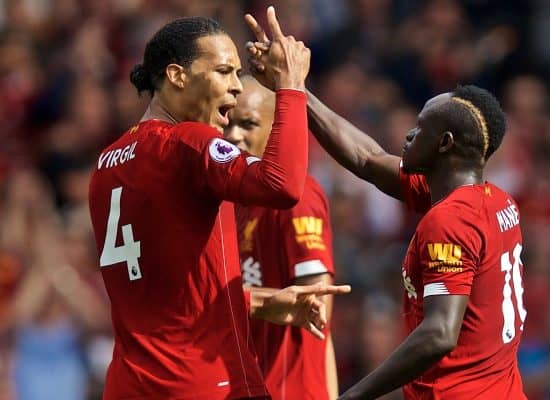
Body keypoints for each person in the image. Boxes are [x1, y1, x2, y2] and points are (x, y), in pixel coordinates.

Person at [244, 22, 527, 397]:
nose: (408, 134)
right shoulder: (494, 200)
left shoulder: (449, 219)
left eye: (420, 127)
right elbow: (367, 158)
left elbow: (440, 333)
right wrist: (293, 88)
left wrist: (353, 395)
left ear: (444, 144)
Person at [88, 8, 349, 400]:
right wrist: (291, 86)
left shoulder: (106, 164)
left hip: (129, 384)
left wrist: (258, 302)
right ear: (177, 76)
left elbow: (169, 295)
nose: (238, 87)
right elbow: (282, 185)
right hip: (203, 382)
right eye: (224, 72)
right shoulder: (186, 143)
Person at [224, 75, 339, 400]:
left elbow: (318, 307)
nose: (233, 135)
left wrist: (238, 301)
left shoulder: (297, 198)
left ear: (277, 129)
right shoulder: (231, 202)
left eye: (248, 123)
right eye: (228, 121)